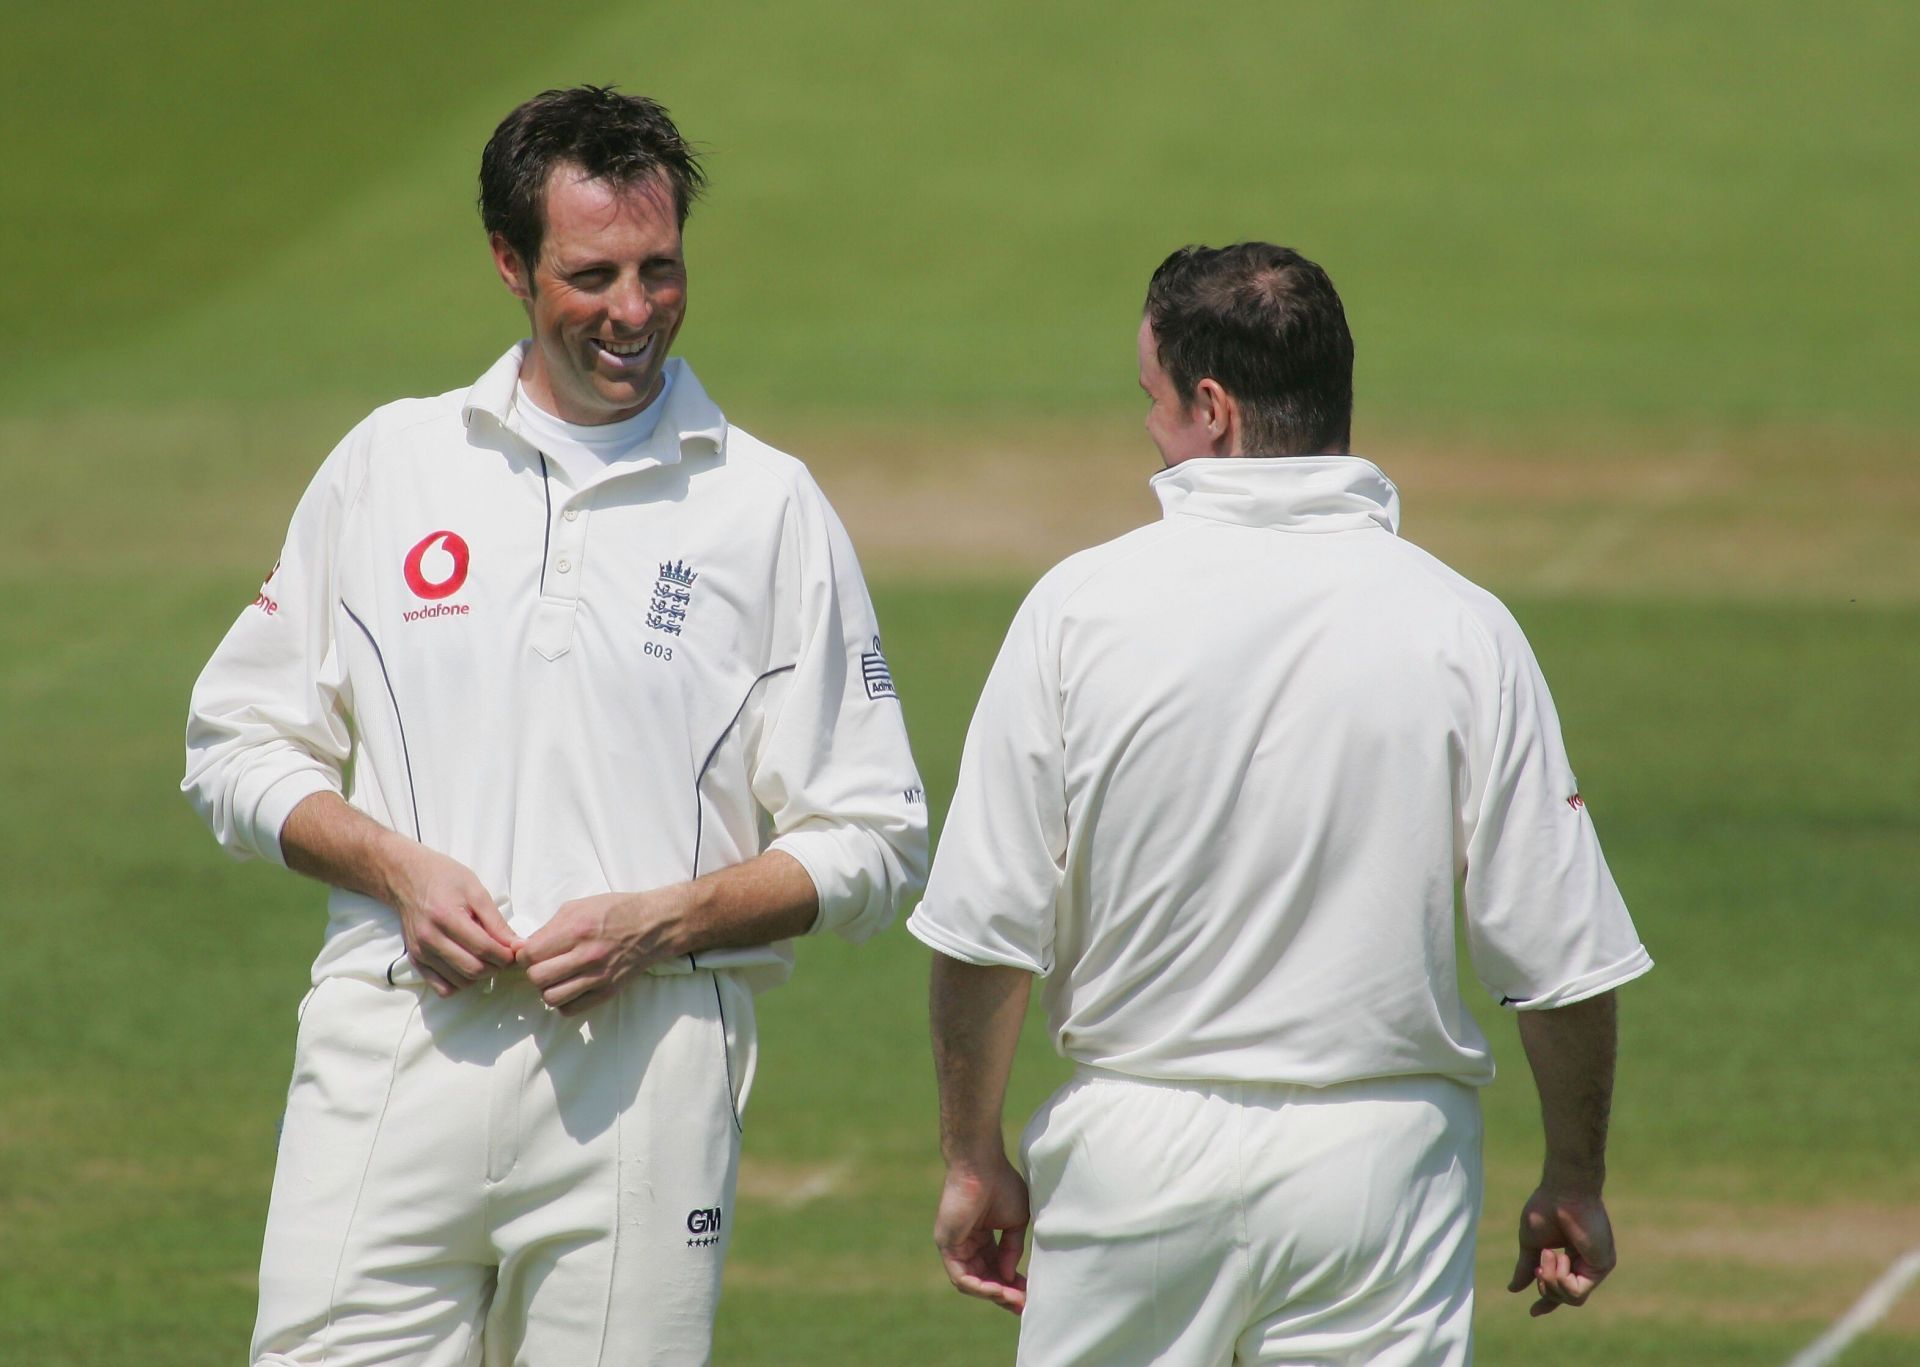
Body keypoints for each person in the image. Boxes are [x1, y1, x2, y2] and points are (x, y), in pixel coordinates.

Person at [183, 85, 927, 1365]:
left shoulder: (768, 506)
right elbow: (235, 743)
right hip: (391, 1043)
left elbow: (877, 836)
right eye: (592, 275)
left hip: (647, 1075)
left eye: (660, 268)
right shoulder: (391, 463)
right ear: (510, 265)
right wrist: (394, 868)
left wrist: (666, 918)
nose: (633, 311)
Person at [909, 243, 1652, 1365]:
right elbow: (1561, 961)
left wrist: (972, 1156)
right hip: (1383, 1169)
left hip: (1135, 1157)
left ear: (1214, 409)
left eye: (1154, 401)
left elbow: (982, 933)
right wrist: (1574, 1177)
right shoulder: (1463, 625)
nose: (1149, 428)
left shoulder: (1077, 609)